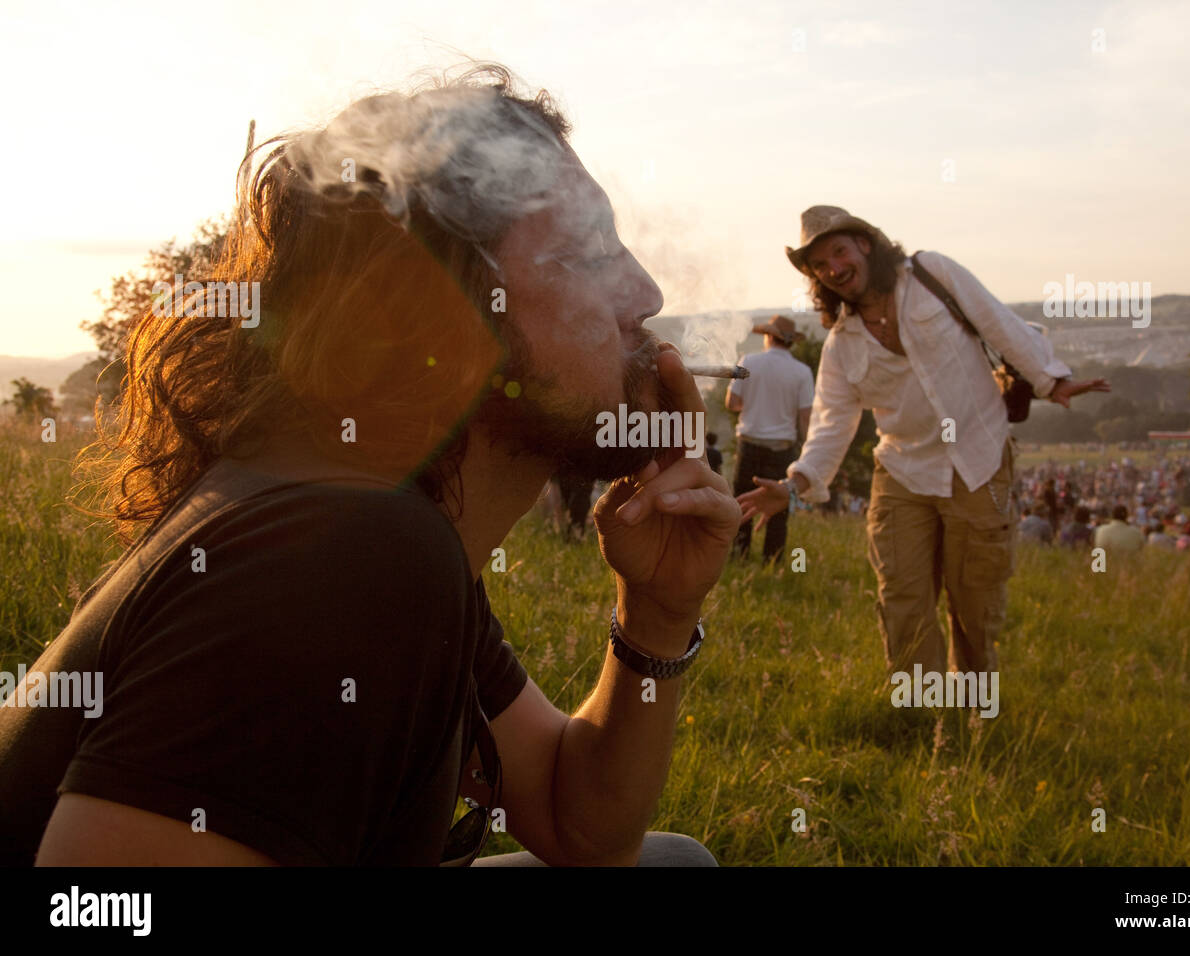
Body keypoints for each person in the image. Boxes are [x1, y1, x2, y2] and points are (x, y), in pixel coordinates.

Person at [0, 66, 740, 867]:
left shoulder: (391, 523)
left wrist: (656, 616)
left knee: (674, 865)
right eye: (585, 256)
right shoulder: (347, 553)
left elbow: (581, 826)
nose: (647, 293)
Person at [738, 205, 1108, 677]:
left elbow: (997, 322)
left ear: (865, 244)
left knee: (975, 600)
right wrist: (793, 487)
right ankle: (925, 718)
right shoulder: (842, 345)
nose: (834, 268)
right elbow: (831, 427)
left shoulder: (933, 274)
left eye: (839, 251)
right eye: (820, 266)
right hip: (902, 471)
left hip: (977, 458)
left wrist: (1050, 379)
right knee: (903, 598)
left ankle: (974, 714)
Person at [726, 314, 815, 565]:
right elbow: (805, 418)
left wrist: (754, 403)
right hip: (782, 450)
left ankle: (738, 557)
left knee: (742, 504)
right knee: (779, 508)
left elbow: (731, 403)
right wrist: (806, 454)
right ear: (790, 341)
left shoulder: (748, 362)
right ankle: (773, 562)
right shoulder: (803, 372)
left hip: (749, 446)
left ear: (768, 336)